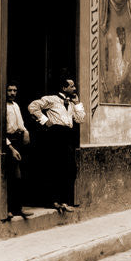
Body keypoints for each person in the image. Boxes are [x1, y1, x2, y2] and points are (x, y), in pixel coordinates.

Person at [28, 78, 85, 213]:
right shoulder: (52, 99)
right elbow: (32, 106)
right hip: (55, 136)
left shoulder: (71, 103)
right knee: (54, 168)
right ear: (64, 88)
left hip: (67, 137)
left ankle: (64, 201)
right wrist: (44, 120)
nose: (74, 88)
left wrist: (77, 103)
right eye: (72, 86)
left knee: (69, 169)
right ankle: (53, 201)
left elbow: (80, 119)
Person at [3, 83, 32, 221]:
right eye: (9, 90)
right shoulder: (3, 106)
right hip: (9, 143)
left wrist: (26, 131)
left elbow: (20, 124)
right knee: (13, 176)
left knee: (20, 176)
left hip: (19, 141)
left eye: (15, 90)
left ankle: (18, 208)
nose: (12, 93)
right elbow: (1, 131)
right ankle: (9, 209)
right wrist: (11, 148)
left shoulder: (16, 105)